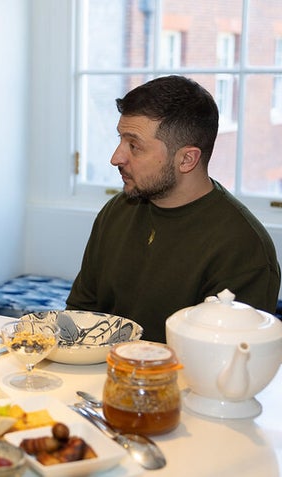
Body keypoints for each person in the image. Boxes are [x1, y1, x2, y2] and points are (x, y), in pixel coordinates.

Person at [66, 75, 280, 343]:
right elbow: (79, 317)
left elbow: (229, 366)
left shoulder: (243, 247)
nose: (116, 158)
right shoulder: (118, 210)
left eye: (134, 145)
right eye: (121, 140)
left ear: (187, 159)